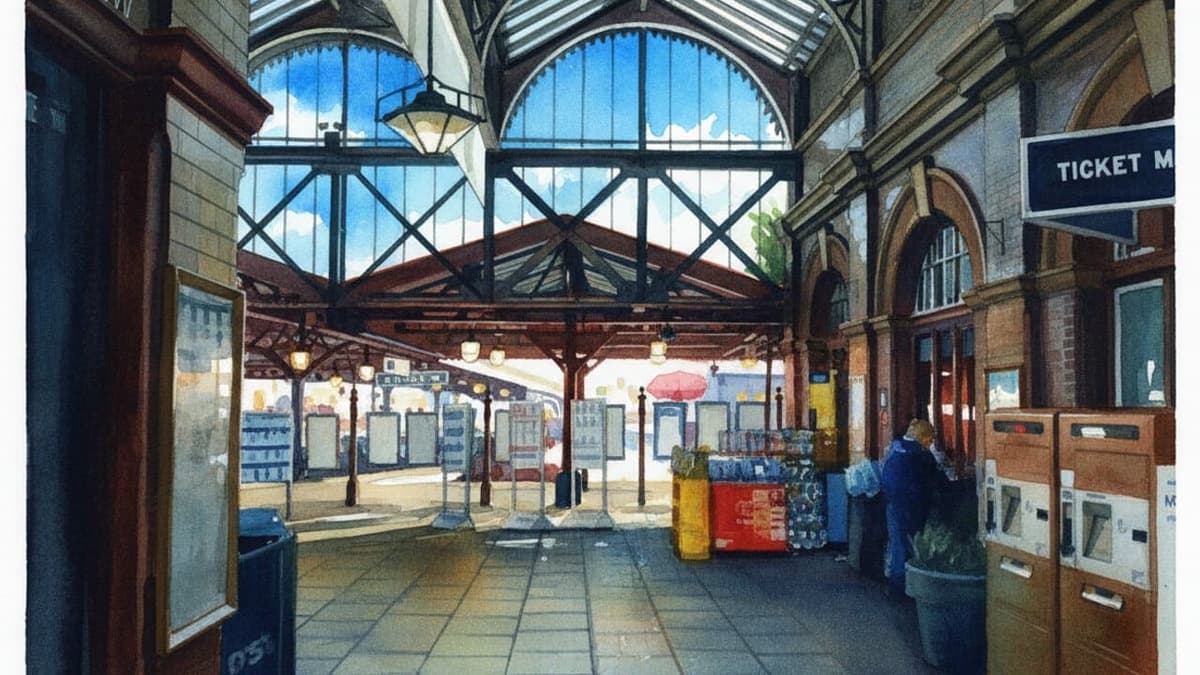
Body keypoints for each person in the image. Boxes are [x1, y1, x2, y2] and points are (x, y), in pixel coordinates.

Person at [881, 418, 947, 598]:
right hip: (913, 504)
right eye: (930, 439)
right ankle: (910, 586)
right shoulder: (920, 454)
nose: (930, 443)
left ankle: (896, 585)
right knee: (914, 544)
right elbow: (935, 479)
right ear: (923, 437)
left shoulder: (895, 447)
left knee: (897, 543)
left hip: (893, 502)